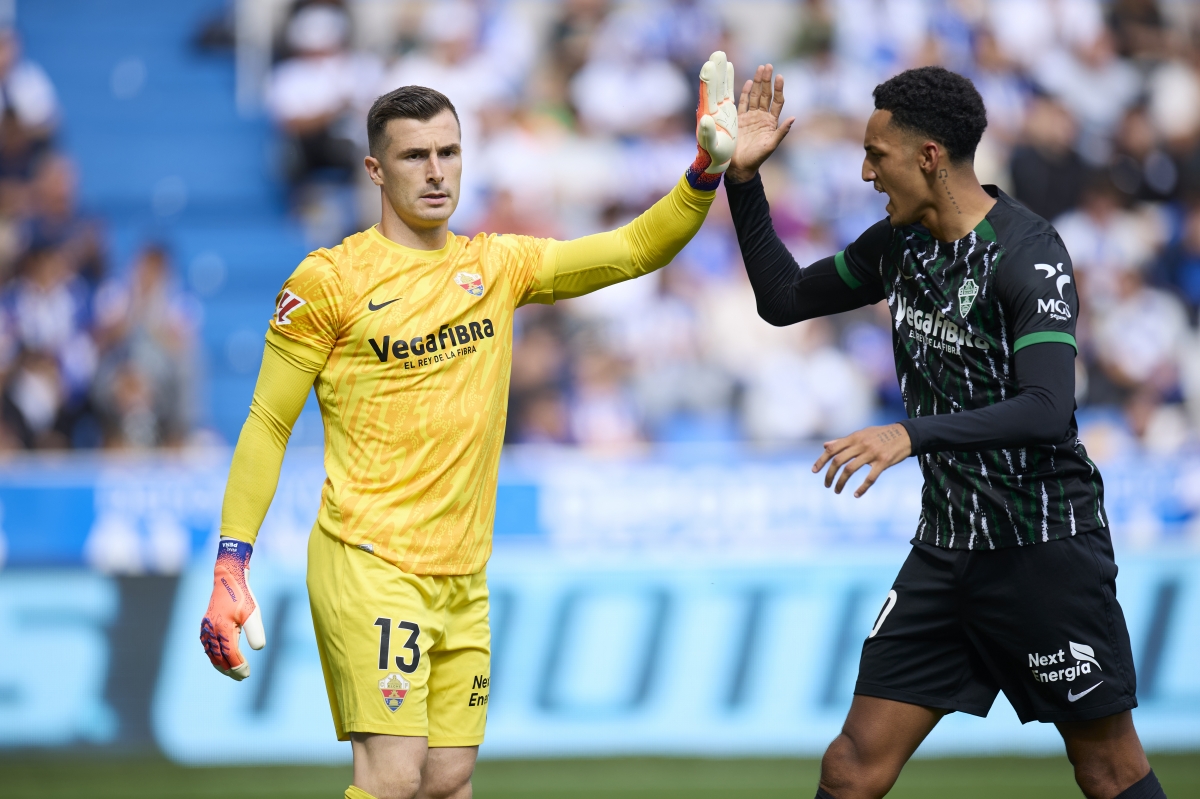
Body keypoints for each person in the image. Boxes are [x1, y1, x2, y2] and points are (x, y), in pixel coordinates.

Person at [200, 51, 737, 799]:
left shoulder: (497, 266)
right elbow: (265, 422)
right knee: (391, 776)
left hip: (463, 573)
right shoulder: (329, 280)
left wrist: (705, 171)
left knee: (448, 780)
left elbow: (633, 249)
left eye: (448, 152)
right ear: (374, 170)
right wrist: (232, 564)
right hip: (370, 557)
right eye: (414, 156)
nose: (435, 171)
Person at [724, 64, 1165, 799]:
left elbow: (1047, 407)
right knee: (852, 765)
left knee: (1107, 767)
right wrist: (743, 181)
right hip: (948, 550)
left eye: (878, 155)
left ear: (929, 156)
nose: (865, 173)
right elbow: (782, 297)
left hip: (1042, 550)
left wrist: (912, 435)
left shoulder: (1029, 252)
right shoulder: (901, 244)